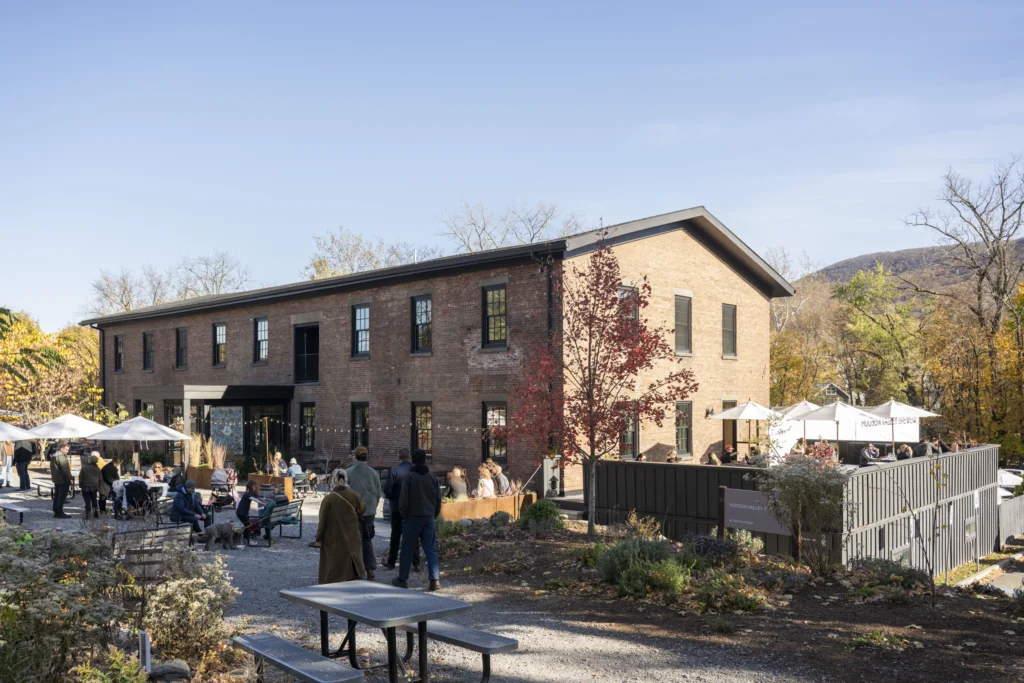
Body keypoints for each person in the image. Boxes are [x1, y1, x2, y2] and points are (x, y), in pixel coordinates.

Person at [393, 449, 441, 591]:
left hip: (412, 517)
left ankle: (403, 579)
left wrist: (404, 515)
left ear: (413, 461)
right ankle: (434, 579)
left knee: (407, 549)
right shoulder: (432, 477)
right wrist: (434, 513)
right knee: (430, 549)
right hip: (428, 516)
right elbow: (439, 498)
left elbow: (403, 500)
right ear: (425, 460)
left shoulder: (410, 478)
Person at [317, 468, 366, 583]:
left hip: (334, 535)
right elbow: (362, 510)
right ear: (346, 479)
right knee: (352, 555)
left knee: (335, 559)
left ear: (333, 480)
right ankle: (354, 575)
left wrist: (319, 537)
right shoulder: (354, 495)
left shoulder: (329, 499)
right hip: (352, 534)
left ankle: (334, 580)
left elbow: (322, 520)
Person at [347, 446, 382, 579]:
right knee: (367, 540)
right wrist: (372, 508)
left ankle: (355, 570)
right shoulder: (373, 473)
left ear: (355, 457)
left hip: (353, 511)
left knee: (354, 540)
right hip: (369, 511)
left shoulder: (348, 471)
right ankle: (370, 569)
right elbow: (378, 493)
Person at [383, 448, 420, 571]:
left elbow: (387, 489)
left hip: (397, 507)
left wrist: (393, 498)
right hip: (413, 507)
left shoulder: (394, 470)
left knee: (395, 535)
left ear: (398, 457)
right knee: (413, 536)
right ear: (409, 456)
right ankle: (416, 563)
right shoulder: (415, 470)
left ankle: (391, 561)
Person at [50, 442, 73, 519]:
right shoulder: (61, 457)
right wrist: (70, 477)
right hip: (63, 479)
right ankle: (59, 512)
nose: (67, 451)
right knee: (61, 496)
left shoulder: (54, 456)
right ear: (61, 449)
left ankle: (56, 510)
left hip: (57, 479)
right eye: (66, 449)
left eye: (68, 450)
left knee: (57, 495)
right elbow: (65, 469)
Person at [78, 453, 102, 519]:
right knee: (94, 500)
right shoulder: (97, 469)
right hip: (94, 486)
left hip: (85, 486)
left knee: (87, 501)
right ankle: (96, 514)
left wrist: (80, 485)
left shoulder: (84, 468)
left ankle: (88, 515)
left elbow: (81, 477)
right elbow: (100, 479)